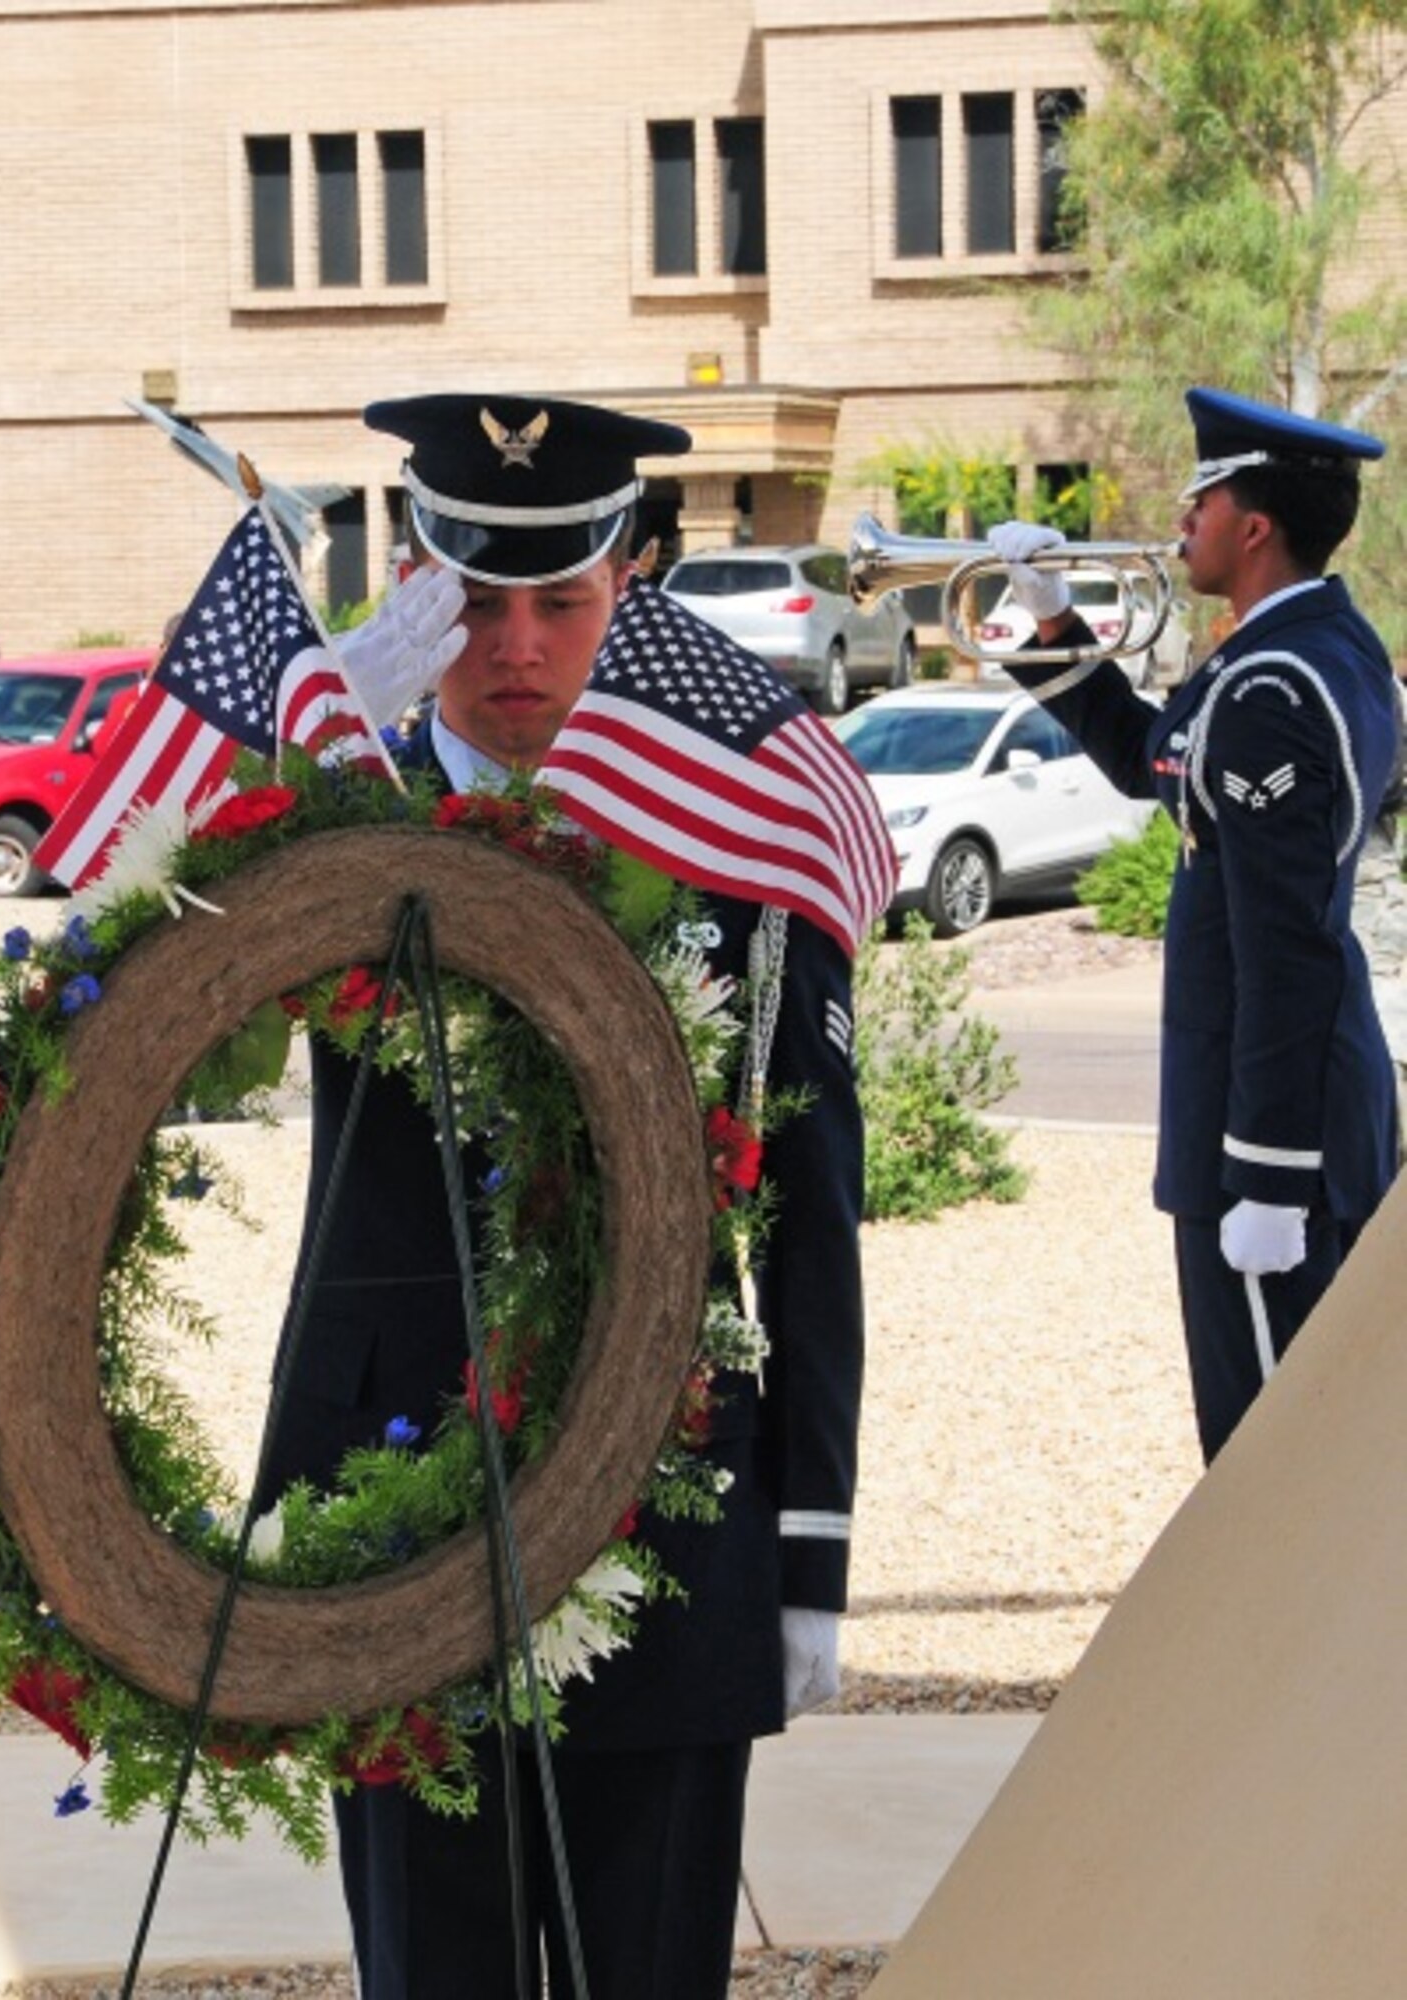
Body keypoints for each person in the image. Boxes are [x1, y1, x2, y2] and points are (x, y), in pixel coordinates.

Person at [256, 394, 867, 1999]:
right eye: (473, 601)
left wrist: (808, 1542)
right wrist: (287, 768)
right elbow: (133, 1023)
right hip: (386, 1500)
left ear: (627, 587)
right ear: (413, 587)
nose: (515, 648)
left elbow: (809, 1206)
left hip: (663, 1508)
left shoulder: (733, 848)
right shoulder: (327, 817)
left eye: (561, 601)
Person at [985, 388, 1400, 1465]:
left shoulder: (1274, 690)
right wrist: (1052, 622)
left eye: (1199, 500)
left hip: (1270, 1134)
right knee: (1305, 1459)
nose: (1180, 522)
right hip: (1295, 1110)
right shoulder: (1306, 649)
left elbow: (1285, 950)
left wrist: (1268, 1176)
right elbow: (1152, 761)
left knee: (1271, 1467)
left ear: (1251, 527)